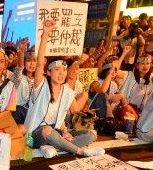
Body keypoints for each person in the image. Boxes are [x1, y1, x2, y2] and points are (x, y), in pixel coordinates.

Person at [24, 19, 103, 159]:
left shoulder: (66, 91)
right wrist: (45, 35)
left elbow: (59, 117)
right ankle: (80, 151)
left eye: (64, 70)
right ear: (48, 72)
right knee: (48, 131)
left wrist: (65, 131)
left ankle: (56, 146)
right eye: (56, 69)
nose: (61, 73)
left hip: (56, 132)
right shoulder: (41, 86)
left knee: (92, 134)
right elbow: (41, 62)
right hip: (37, 134)